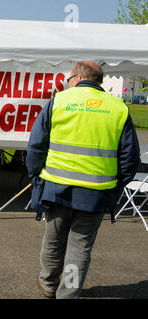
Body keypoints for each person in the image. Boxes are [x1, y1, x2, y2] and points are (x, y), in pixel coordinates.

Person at [26, 61, 140, 299]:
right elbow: (130, 158)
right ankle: (67, 293)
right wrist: (116, 183)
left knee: (53, 240)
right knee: (80, 247)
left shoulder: (59, 101)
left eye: (69, 78)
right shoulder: (118, 108)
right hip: (96, 193)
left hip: (56, 188)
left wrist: (36, 176)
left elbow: (36, 145)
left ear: (77, 77)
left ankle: (48, 284)